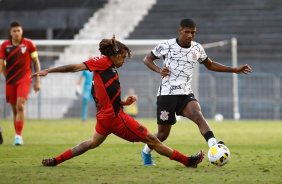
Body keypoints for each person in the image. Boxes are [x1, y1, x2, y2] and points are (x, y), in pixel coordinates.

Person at [30, 35, 204, 168]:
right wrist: (49, 71)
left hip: (105, 116)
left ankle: (55, 160)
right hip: (114, 118)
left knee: (91, 143)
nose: (123, 61)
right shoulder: (101, 62)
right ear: (113, 55)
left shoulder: (109, 67)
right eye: (122, 57)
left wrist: (124, 103)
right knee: (152, 139)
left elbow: (105, 96)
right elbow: (75, 67)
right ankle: (188, 161)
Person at [141, 18, 252, 166]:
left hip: (186, 93)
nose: (190, 35)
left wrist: (234, 70)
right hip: (166, 95)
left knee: (198, 116)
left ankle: (214, 147)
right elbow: (147, 59)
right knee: (163, 134)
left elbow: (210, 65)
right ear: (180, 31)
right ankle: (146, 152)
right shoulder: (166, 45)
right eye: (186, 32)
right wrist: (159, 70)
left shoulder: (197, 48)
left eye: (193, 33)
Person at [0, 21, 41, 145]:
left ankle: (18, 136)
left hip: (25, 78)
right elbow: (1, 64)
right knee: (14, 109)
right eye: (14, 31)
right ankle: (17, 135)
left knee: (20, 106)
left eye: (18, 30)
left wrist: (37, 80)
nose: (16, 33)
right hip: (10, 80)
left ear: (22, 31)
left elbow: (36, 62)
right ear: (10, 32)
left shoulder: (29, 44)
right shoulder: (4, 46)